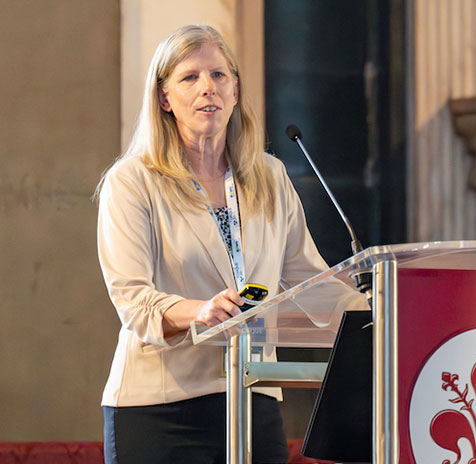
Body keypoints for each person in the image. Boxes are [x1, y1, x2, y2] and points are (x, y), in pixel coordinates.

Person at [95, 24, 332, 463]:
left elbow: (310, 283)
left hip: (253, 393)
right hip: (161, 408)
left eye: (219, 75)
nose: (208, 88)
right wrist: (200, 312)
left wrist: (385, 308)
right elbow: (132, 299)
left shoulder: (270, 177)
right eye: (190, 78)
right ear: (164, 98)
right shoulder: (132, 182)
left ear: (236, 90)